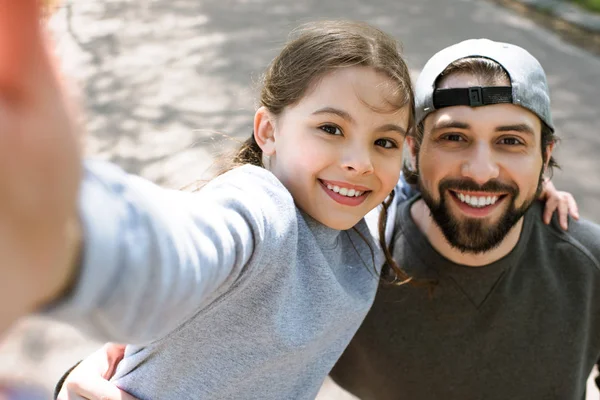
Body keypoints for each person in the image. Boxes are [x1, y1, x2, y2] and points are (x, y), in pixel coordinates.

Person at [0, 2, 417, 399]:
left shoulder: (363, 242)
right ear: (268, 132)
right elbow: (179, 250)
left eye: (384, 141)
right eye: (330, 128)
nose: (360, 163)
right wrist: (68, 235)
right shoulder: (260, 205)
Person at [328, 39, 600, 399]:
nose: (481, 171)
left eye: (511, 141)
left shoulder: (589, 265)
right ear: (413, 149)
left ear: (544, 156)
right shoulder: (352, 258)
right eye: (453, 137)